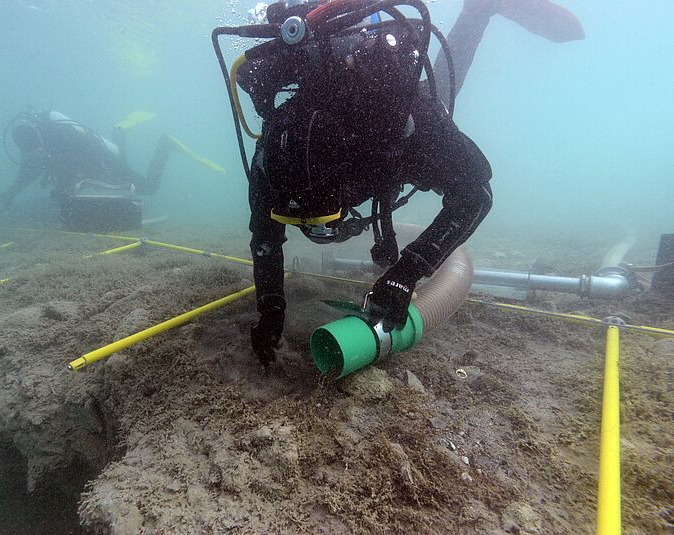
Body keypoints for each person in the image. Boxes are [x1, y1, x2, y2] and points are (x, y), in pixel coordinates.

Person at [233, 0, 584, 365]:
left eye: (323, 212)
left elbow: (476, 194)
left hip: (395, 126)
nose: (321, 229)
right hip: (355, 141)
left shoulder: (399, 130)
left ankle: (477, 11)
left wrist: (407, 272)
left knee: (442, 93)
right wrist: (270, 310)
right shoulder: (273, 156)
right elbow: (266, 240)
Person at [0, 110, 175, 222]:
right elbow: (25, 177)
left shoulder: (62, 135)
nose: (34, 153)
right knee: (62, 197)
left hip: (105, 162)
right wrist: (7, 196)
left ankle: (164, 146)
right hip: (90, 170)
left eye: (34, 146)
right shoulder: (34, 147)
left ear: (37, 136)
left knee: (149, 188)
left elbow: (86, 156)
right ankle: (120, 132)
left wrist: (65, 186)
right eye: (28, 149)